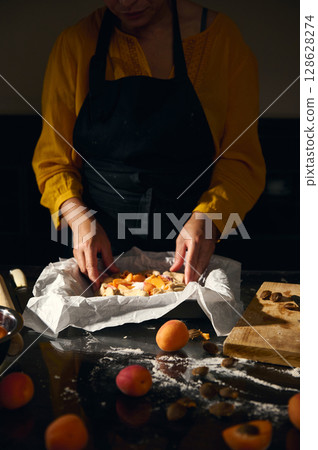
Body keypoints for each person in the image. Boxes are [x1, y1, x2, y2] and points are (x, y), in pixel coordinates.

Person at [32, 0, 265, 287]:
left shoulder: (221, 39)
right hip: (100, 255)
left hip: (198, 254)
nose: (126, 2)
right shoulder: (76, 44)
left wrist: (208, 220)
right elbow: (53, 162)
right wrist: (79, 218)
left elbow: (241, 160)